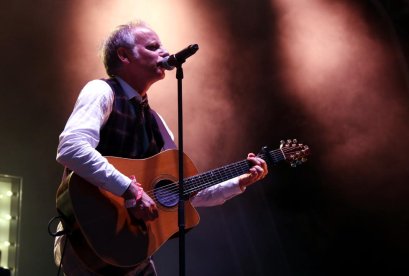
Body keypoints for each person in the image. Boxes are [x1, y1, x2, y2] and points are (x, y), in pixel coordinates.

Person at [53, 21, 268, 275]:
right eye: (153, 47)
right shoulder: (101, 91)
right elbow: (71, 148)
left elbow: (184, 190)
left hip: (133, 249)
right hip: (88, 238)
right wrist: (129, 188)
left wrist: (239, 182)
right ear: (124, 55)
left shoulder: (153, 120)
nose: (165, 52)